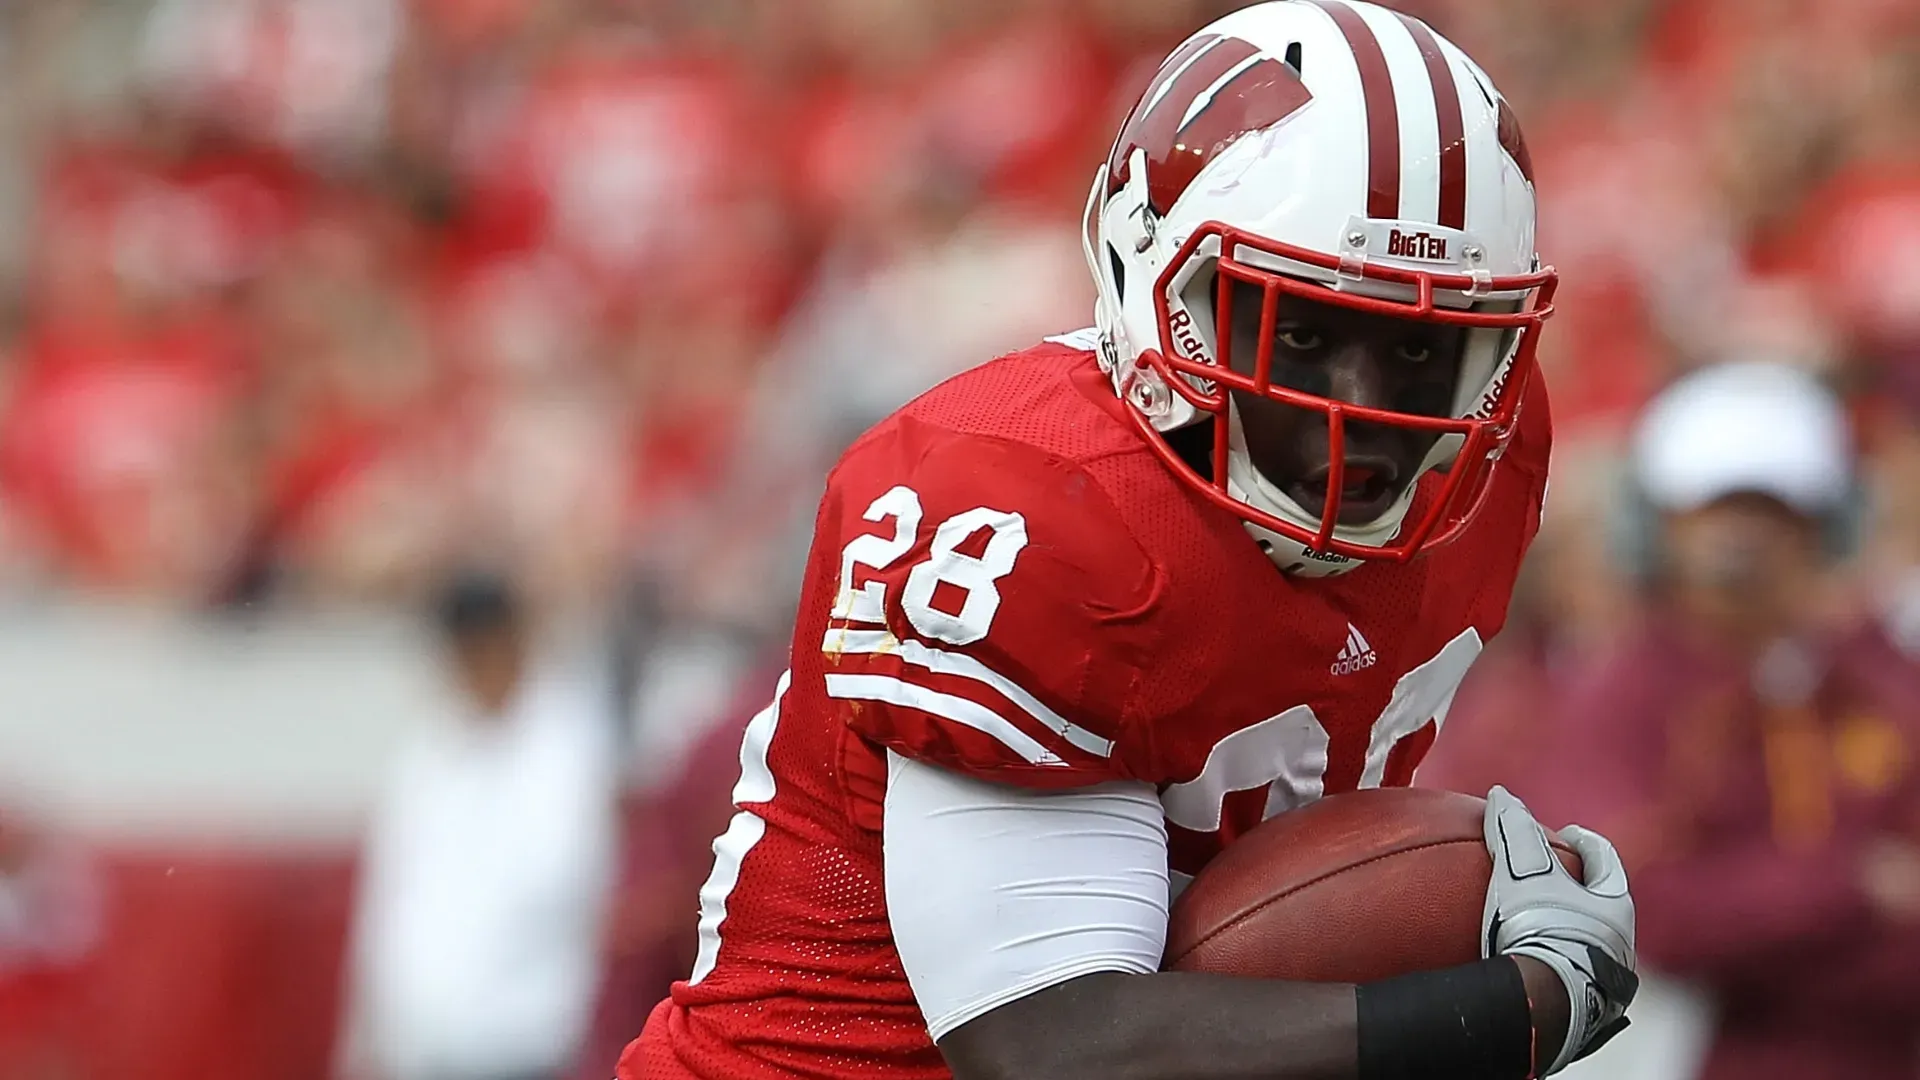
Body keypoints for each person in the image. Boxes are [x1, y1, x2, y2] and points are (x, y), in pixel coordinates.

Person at [623, 3, 1637, 1078]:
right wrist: (1496, 1013)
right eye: (1300, 330)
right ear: (1151, 272)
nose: (1367, 409)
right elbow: (1050, 1049)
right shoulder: (1035, 512)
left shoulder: (1490, 460)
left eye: (1424, 348)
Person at [1530, 362, 1920, 1080]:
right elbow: (1644, 915)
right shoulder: (1623, 692)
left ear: (1828, 525)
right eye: (1713, 509)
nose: (1741, 540)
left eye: (1775, 512)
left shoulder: (1883, 680)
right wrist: (1850, 888)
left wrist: (1754, 922)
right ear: (1656, 523)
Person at [341, 572, 617, 1080]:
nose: (472, 667)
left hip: (522, 1045)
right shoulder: (432, 747)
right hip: (422, 1047)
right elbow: (394, 897)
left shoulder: (565, 749)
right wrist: (373, 1031)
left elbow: (555, 883)